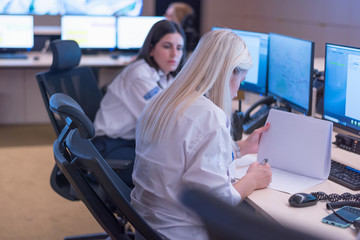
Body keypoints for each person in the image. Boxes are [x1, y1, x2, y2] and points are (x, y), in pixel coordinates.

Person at [131, 29, 272, 239]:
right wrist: (252, 179)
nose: (235, 93)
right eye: (240, 81)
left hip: (147, 225)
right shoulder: (208, 117)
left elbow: (183, 154)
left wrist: (242, 147)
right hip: (181, 233)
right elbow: (218, 204)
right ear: (228, 73)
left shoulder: (163, 99)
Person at [92, 20, 186, 187]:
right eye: (167, 46)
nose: (174, 54)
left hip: (133, 140)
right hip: (110, 145)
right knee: (171, 167)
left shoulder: (166, 75)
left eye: (179, 48)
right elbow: (164, 121)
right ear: (151, 49)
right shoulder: (139, 75)